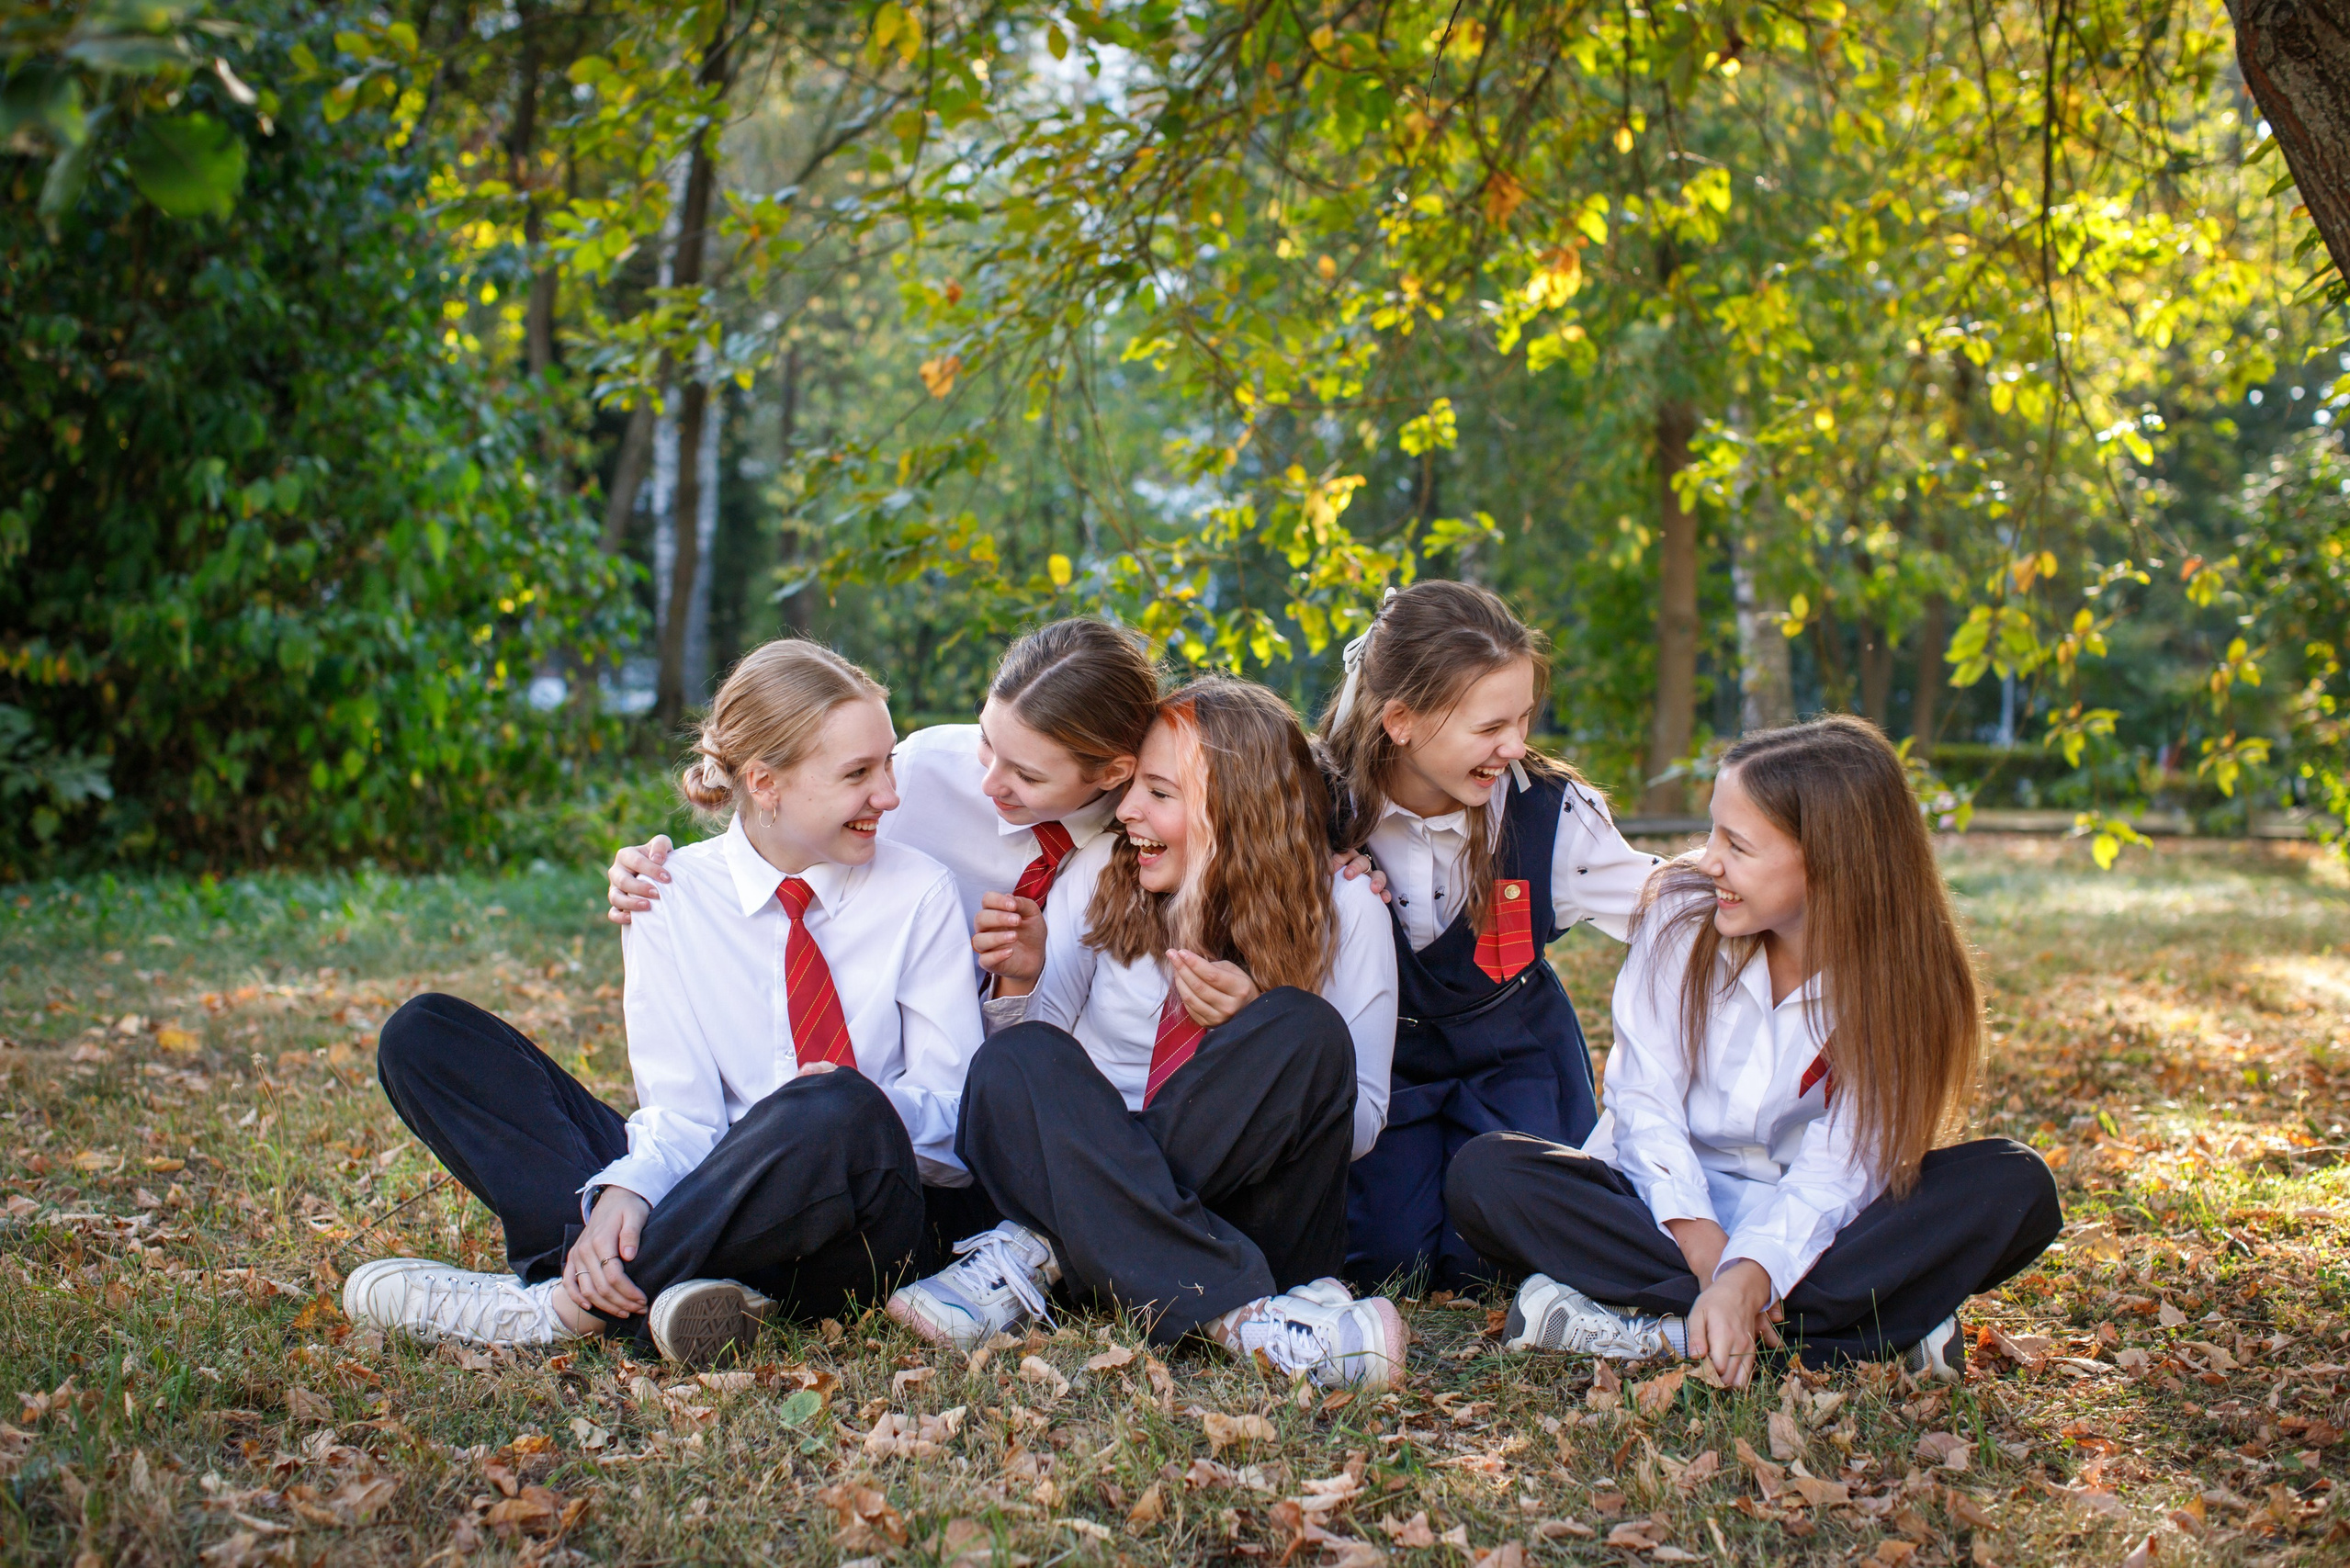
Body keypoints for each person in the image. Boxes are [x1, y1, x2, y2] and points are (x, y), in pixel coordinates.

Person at [343, 640, 985, 1365]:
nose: (889, 794)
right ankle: (690, 1284)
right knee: (425, 1034)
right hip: (707, 1189)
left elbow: (955, 1121)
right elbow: (682, 1114)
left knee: (839, 1108)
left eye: (889, 761)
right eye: (858, 773)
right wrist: (631, 1189)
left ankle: (562, 1306)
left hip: (856, 1222)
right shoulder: (668, 893)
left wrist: (848, 1105)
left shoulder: (918, 892)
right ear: (766, 782)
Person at [1445, 716, 2062, 1384]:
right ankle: (1868, 1329)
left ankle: (1668, 1332)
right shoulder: (1683, 909)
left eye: (1736, 844)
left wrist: (1754, 1273)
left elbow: (1842, 1169)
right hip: (1659, 1212)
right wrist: (1713, 1257)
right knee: (1486, 1175)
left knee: (2017, 1185)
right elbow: (1644, 1099)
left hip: (1822, 1231)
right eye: (1713, 830)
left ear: (1828, 861)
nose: (1708, 859)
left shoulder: (1909, 982)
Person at [886, 678, 1409, 1389]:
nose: (1126, 810)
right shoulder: (1105, 872)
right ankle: (1248, 1319)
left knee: (1301, 1030)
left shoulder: (1348, 905)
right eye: (1136, 787)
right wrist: (1021, 979)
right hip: (1154, 1210)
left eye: (1160, 794)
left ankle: (1059, 1251)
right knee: (1015, 1056)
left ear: (1239, 808)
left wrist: (1251, 1027)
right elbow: (1033, 1081)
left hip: (1250, 1214)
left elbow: (1364, 1122)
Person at [1321, 581, 1660, 1292]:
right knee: (1387, 1264)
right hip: (1389, 1063)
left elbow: (1663, 907)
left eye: (1524, 718)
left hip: (1516, 1057)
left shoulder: (1552, 815)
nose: (1515, 745)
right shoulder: (1322, 808)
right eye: (1489, 728)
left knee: (1496, 1263)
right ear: (1401, 720)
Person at [604, 617, 1162, 997]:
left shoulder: (1151, 851)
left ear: (1111, 773)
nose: (989, 782)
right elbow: (792, 829)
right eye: (989, 741)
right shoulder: (922, 770)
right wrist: (669, 879)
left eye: (1027, 775)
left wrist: (1027, 978)